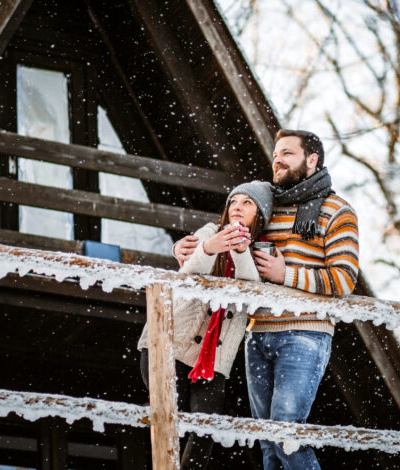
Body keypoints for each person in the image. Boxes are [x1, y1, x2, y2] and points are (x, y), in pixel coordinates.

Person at [174, 129, 359, 470]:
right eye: (276, 153)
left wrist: (283, 275)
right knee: (268, 445)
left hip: (305, 333)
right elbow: (226, 227)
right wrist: (187, 247)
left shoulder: (337, 211)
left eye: (288, 153)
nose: (278, 159)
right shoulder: (267, 206)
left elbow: (344, 280)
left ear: (312, 160)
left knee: (287, 437)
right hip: (257, 333)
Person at [138, 181, 273, 470]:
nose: (237, 207)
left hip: (213, 361)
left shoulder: (259, 249)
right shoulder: (209, 232)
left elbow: (251, 294)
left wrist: (239, 250)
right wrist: (209, 248)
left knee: (205, 430)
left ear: (259, 214)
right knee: (167, 421)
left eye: (247, 203)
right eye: (233, 202)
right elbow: (187, 272)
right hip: (168, 345)